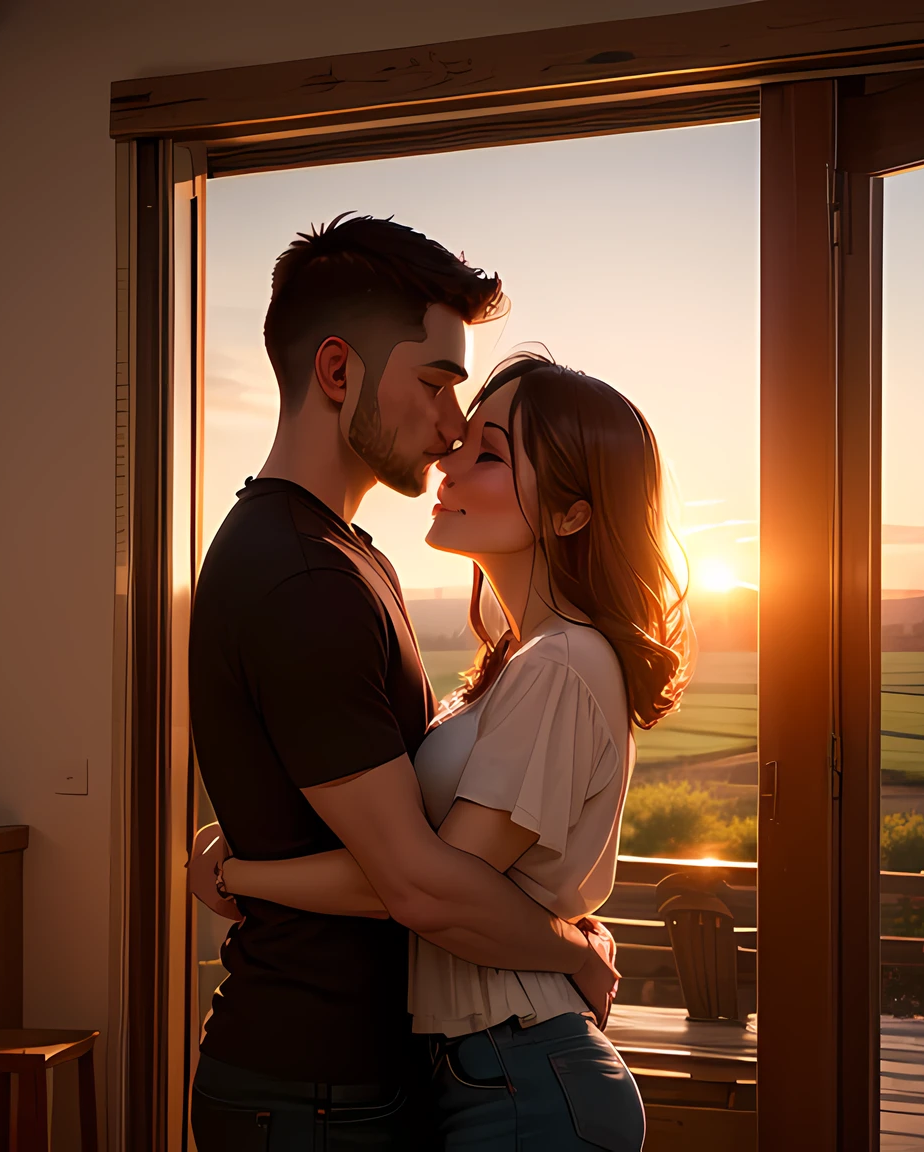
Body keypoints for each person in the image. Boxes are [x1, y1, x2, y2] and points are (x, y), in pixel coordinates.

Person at [185, 216, 620, 1151]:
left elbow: (380, 805)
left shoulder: (348, 560)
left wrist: (242, 851)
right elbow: (415, 882)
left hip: (364, 1072)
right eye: (436, 382)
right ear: (337, 374)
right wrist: (569, 946)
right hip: (311, 1084)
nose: (455, 425)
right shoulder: (305, 576)